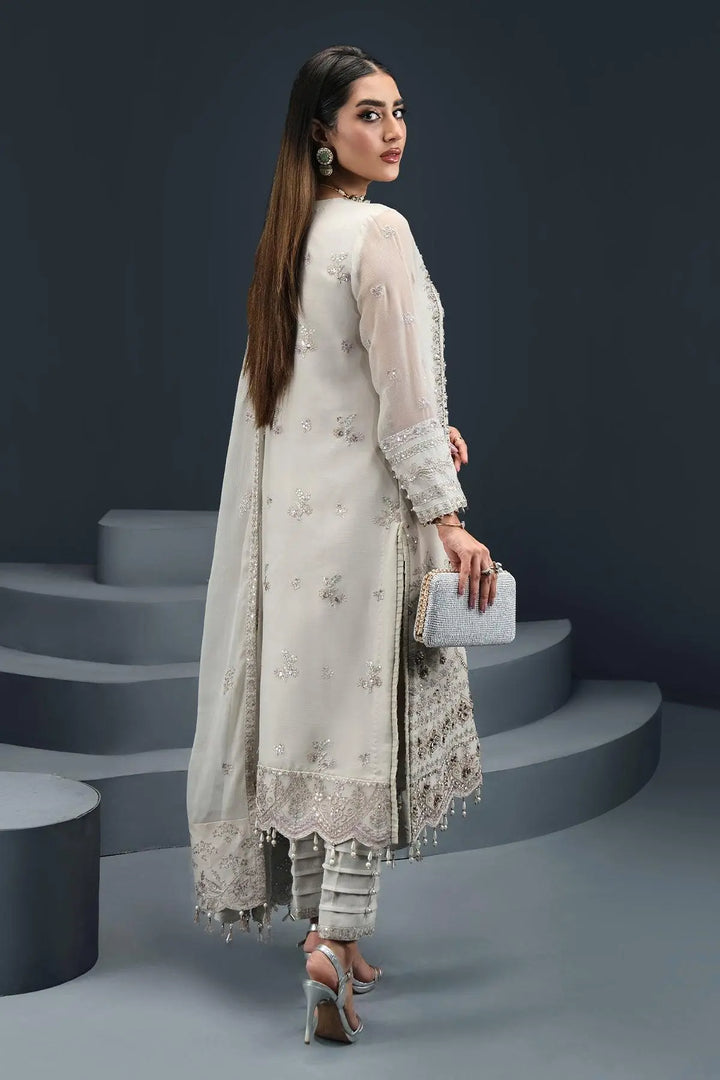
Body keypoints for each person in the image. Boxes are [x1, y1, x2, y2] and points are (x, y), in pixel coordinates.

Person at [186, 44, 498, 1045]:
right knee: (365, 733)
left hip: (292, 535)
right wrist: (448, 518)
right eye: (369, 114)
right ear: (323, 133)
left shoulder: (292, 236)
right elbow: (402, 399)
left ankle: (330, 943)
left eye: (398, 111)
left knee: (315, 730)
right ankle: (336, 939)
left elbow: (320, 392)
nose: (392, 130)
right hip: (365, 533)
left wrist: (432, 430)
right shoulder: (380, 231)